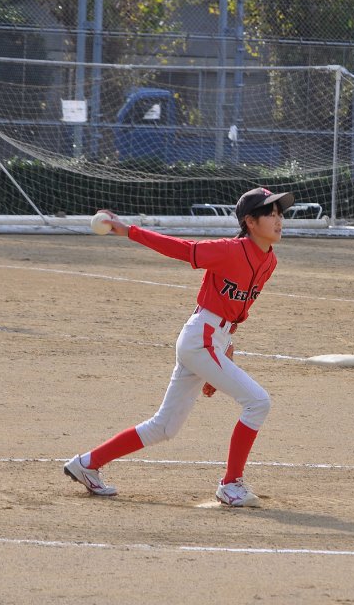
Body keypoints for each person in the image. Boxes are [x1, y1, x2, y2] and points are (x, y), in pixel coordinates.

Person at [63, 187, 295, 507]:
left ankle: (86, 464)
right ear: (250, 222)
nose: (278, 220)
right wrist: (129, 231)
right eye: (270, 213)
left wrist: (225, 352)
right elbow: (183, 249)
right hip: (200, 339)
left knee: (164, 427)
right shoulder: (230, 250)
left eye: (280, 213)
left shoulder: (269, 261)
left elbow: (234, 311)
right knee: (258, 402)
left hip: (211, 342)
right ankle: (231, 484)